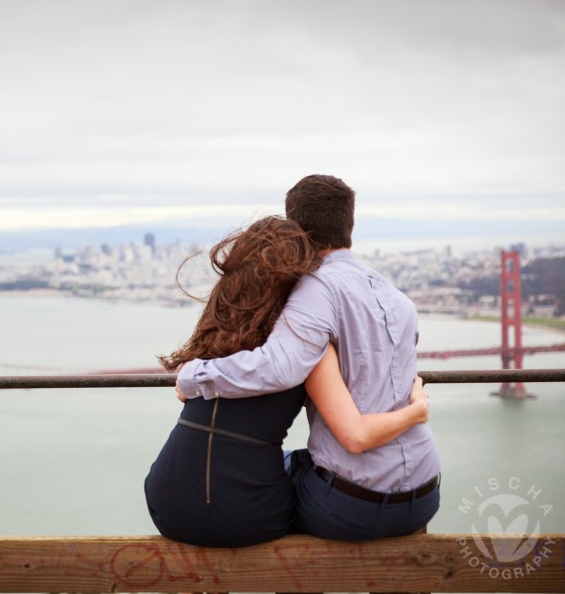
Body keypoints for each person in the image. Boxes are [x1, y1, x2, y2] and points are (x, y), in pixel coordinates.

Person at [175, 175, 441, 541]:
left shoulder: (318, 288)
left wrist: (195, 376)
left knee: (266, 495)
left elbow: (279, 366)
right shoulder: (397, 297)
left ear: (295, 232)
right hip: (425, 494)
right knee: (294, 463)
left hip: (355, 506)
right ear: (349, 225)